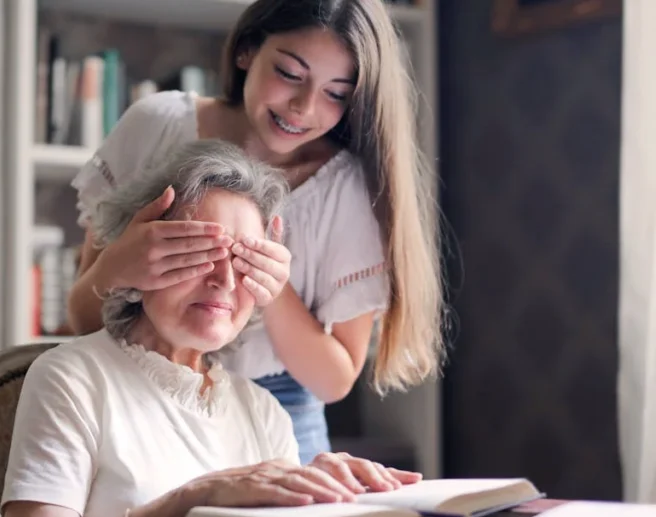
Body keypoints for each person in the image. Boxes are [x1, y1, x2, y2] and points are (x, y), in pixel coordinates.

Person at [66, 0, 445, 465]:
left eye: (336, 93)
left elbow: (333, 381)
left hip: (282, 412)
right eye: (289, 73)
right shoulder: (157, 126)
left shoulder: (347, 191)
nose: (304, 107)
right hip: (141, 392)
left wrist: (270, 285)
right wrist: (118, 266)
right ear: (247, 50)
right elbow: (83, 320)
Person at [1, 140, 421, 517]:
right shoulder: (71, 379)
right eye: (199, 252)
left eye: (245, 260)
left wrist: (341, 501)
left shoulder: (264, 413)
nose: (225, 279)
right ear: (144, 255)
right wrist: (190, 500)